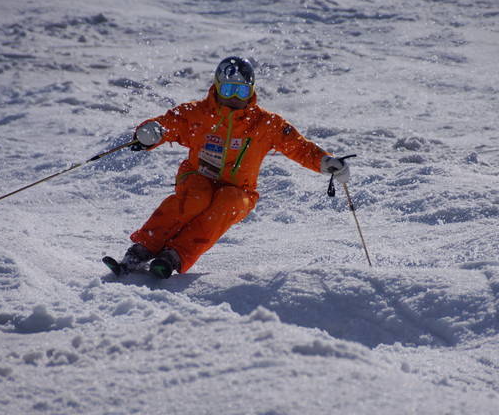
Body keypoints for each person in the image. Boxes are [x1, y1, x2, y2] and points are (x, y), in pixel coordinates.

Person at [114, 56, 351, 278]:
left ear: (252, 90)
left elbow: (298, 146)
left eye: (241, 90)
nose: (234, 97)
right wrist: (152, 131)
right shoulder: (198, 114)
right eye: (227, 89)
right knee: (196, 197)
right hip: (197, 175)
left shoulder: (265, 123)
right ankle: (142, 249)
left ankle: (174, 255)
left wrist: (324, 161)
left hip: (240, 189)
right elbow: (170, 124)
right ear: (216, 87)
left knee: (227, 203)